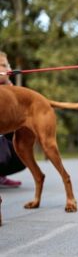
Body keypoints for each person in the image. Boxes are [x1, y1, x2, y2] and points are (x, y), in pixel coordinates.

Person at [0, 51, 24, 188]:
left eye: (8, 65)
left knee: (24, 152)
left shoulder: (9, 89)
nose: (9, 69)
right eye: (3, 65)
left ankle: (0, 175)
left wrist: (10, 88)